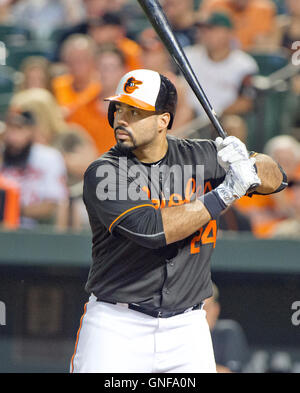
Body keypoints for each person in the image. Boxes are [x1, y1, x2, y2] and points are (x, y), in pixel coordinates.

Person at [70, 68, 286, 373]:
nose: (122, 118)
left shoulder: (203, 156)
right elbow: (152, 230)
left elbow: (278, 179)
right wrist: (226, 192)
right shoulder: (105, 171)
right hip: (117, 326)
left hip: (187, 327)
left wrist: (250, 162)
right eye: (119, 108)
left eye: (135, 111)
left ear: (163, 121)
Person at [184, 12, 258, 120]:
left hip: (222, 120)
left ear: (229, 33)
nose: (205, 34)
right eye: (202, 30)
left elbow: (246, 101)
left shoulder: (244, 64)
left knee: (234, 123)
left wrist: (219, 114)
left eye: (211, 29)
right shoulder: (188, 56)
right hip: (190, 118)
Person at [0, 110, 68, 227]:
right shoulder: (2, 155)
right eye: (10, 128)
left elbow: (53, 204)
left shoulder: (49, 157)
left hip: (36, 229)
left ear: (31, 131)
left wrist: (11, 209)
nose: (13, 136)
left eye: (19, 128)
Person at [52, 34, 102, 150]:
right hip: (65, 146)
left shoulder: (101, 87)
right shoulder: (58, 85)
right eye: (72, 59)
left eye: (82, 59)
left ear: (93, 60)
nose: (77, 64)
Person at [204, 283, 251, 373]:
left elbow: (230, 371)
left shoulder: (228, 332)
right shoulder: (181, 335)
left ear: (216, 309)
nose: (201, 313)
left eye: (206, 308)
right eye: (195, 309)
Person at [200, 0, 277, 51]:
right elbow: (203, 37)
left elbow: (269, 46)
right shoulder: (215, 5)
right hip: (218, 55)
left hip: (250, 58)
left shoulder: (264, 9)